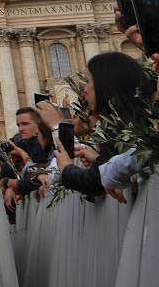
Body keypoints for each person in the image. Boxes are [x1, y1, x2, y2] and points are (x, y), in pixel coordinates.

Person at [36, 52, 153, 202]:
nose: (84, 90)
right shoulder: (131, 121)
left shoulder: (121, 127)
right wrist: (99, 160)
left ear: (106, 84)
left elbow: (95, 181)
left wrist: (66, 167)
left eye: (89, 81)